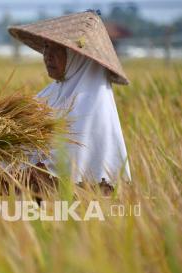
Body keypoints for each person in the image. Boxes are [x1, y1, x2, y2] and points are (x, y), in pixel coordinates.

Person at [8, 10, 131, 190]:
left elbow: (56, 170)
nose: (47, 55)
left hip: (83, 202)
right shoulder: (51, 93)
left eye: (57, 49)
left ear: (78, 56)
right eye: (46, 47)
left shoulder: (90, 105)